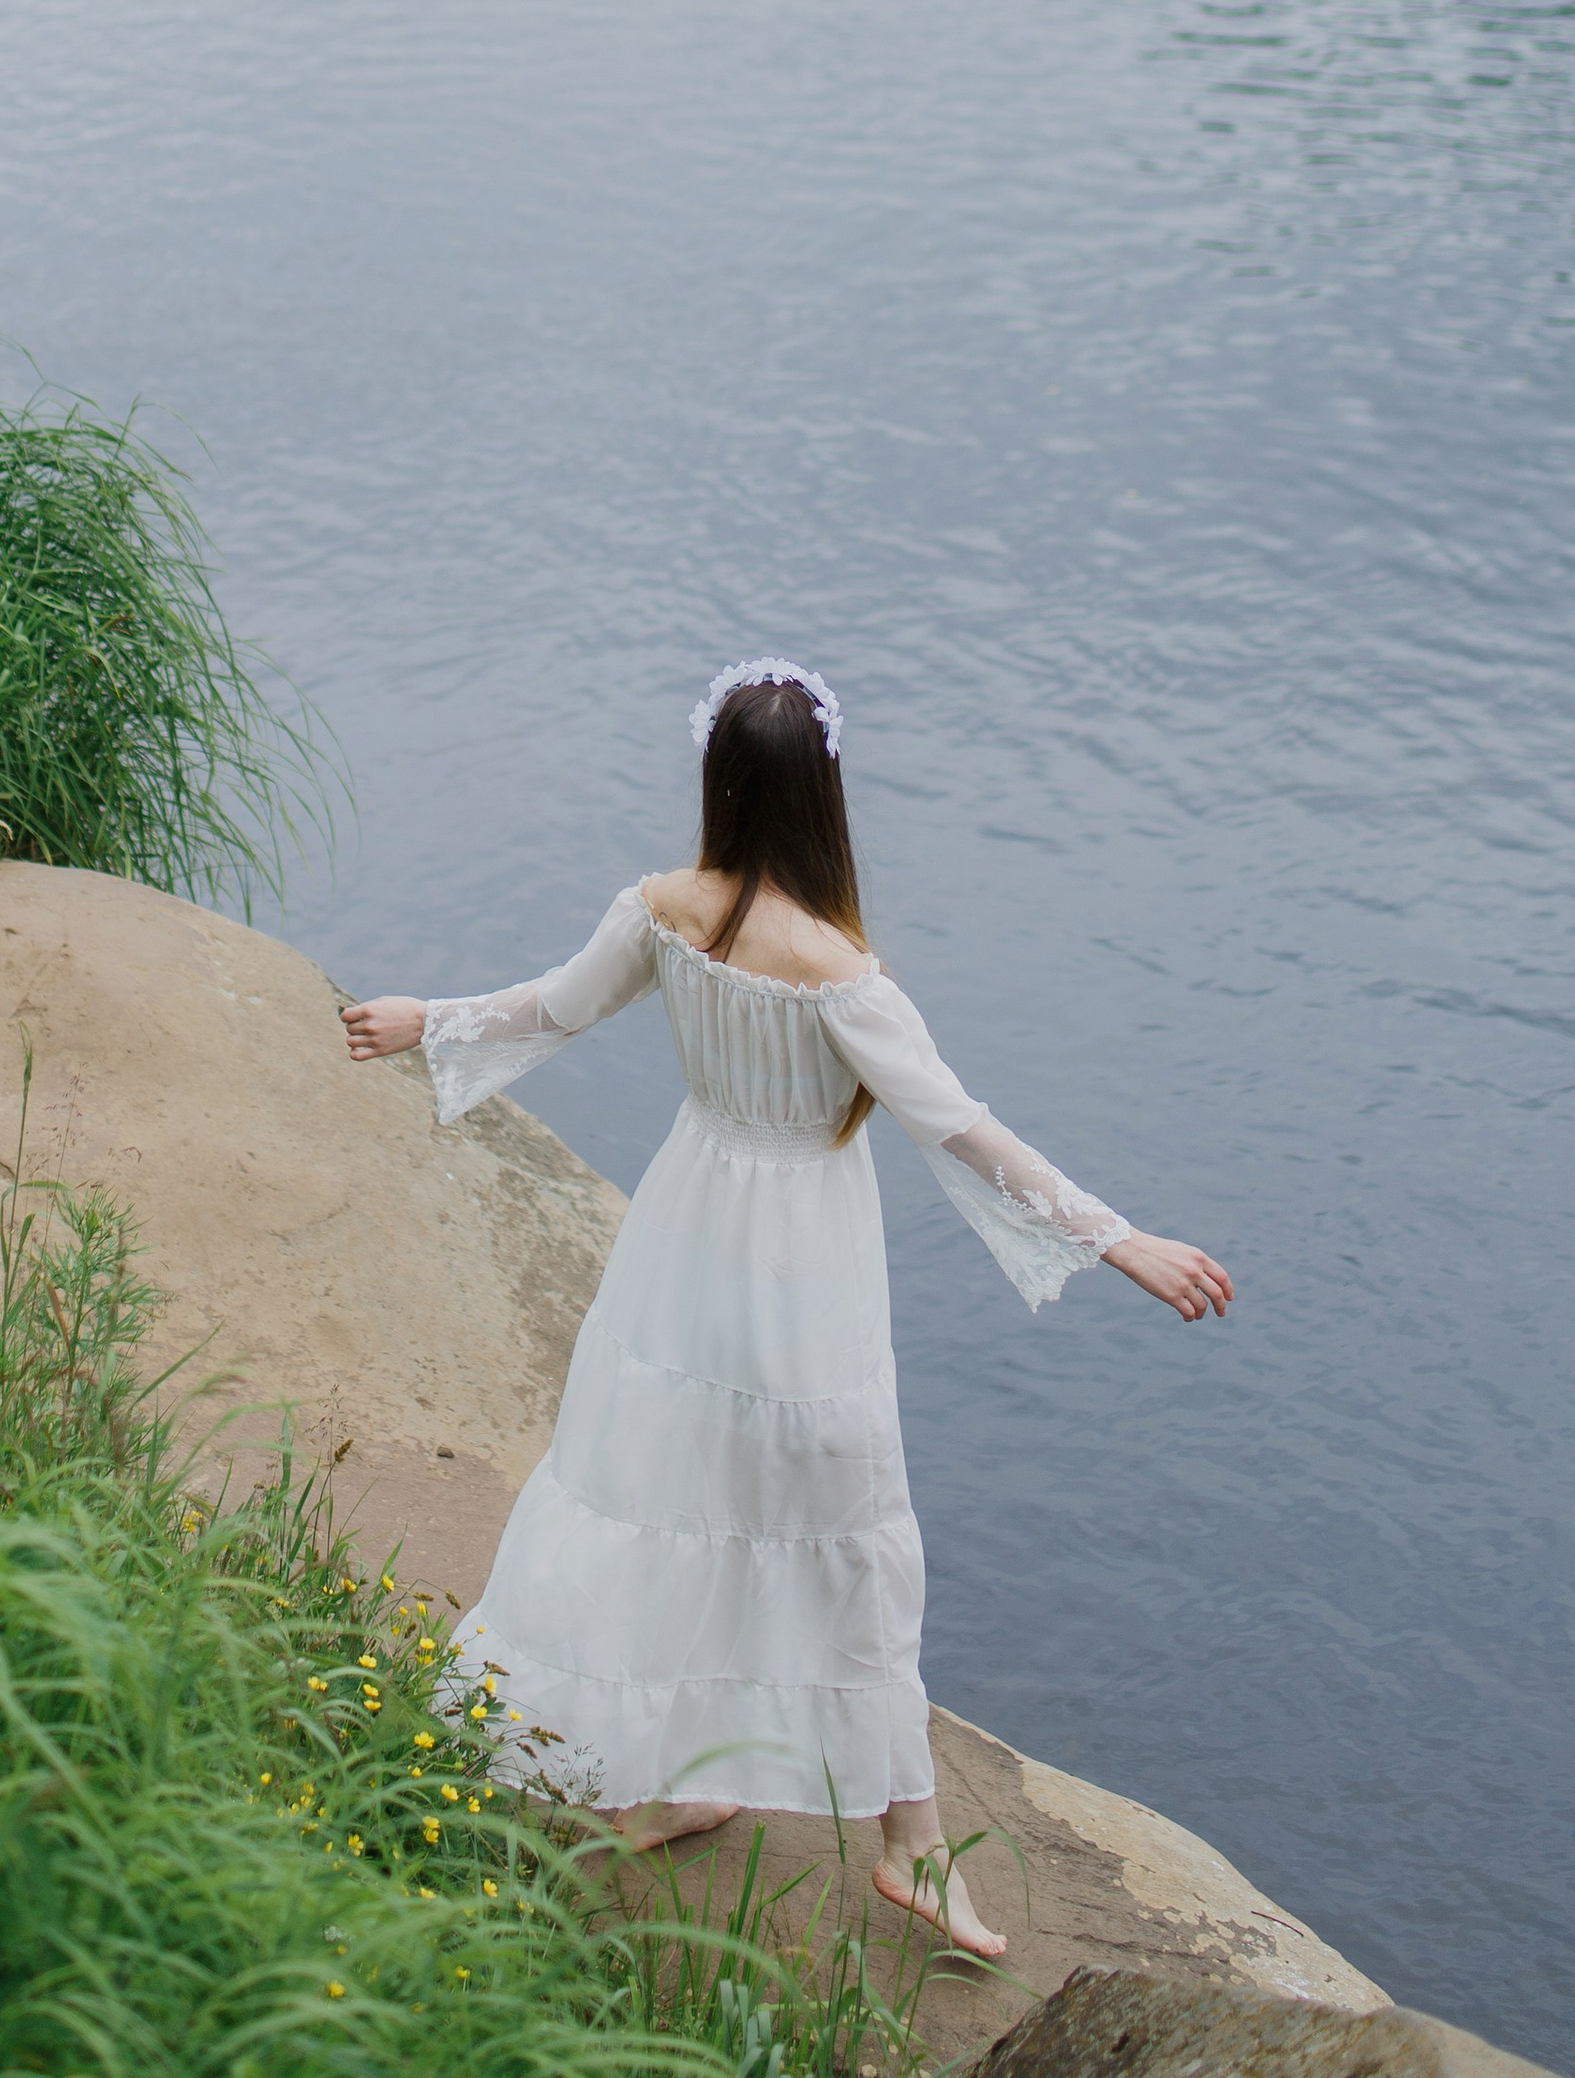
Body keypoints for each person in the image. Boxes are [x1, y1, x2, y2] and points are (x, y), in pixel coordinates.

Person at [340, 656, 1231, 1957]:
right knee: (846, 1524)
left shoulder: (659, 910)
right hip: (801, 1255)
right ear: (823, 797)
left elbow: (549, 1008)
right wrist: (1120, 1239)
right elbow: (964, 1131)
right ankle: (906, 1848)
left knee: (670, 1484)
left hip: (689, 1226)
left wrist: (429, 1018)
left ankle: (698, 1775)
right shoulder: (835, 969)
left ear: (719, 783)